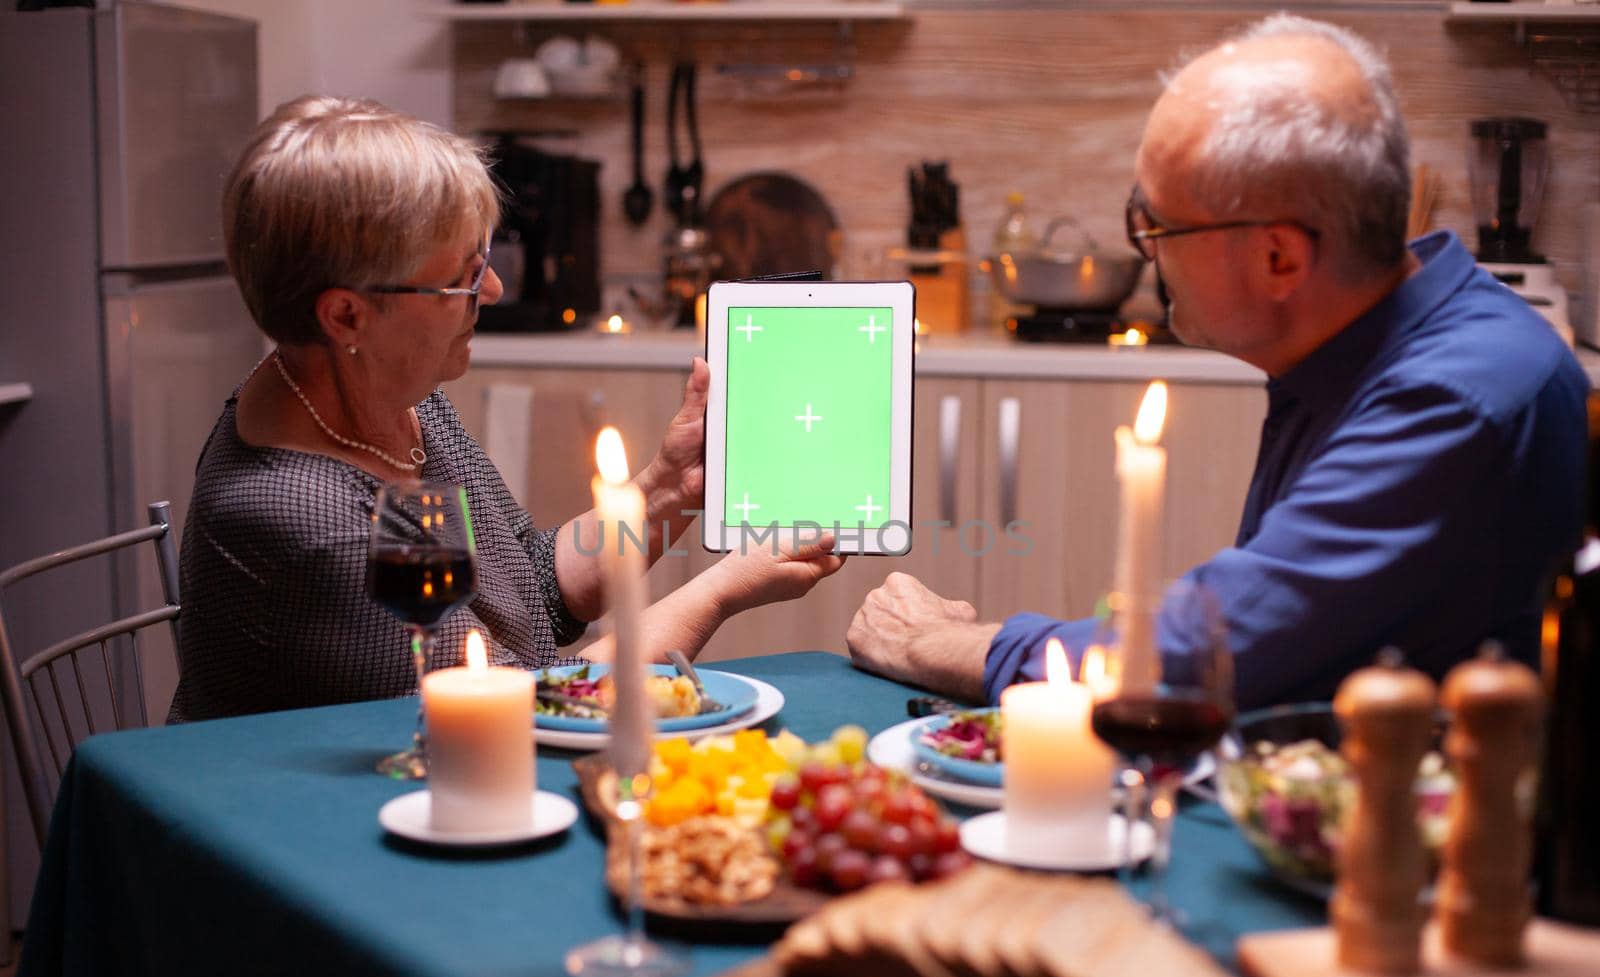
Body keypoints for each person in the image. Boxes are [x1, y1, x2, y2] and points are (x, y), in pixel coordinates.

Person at [847, 15, 1589, 711]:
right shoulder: (1363, 343)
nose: (1147, 248)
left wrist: (939, 642)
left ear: (1278, 257)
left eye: (1157, 222)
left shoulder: (1453, 397)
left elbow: (1199, 655)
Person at [169, 96, 842, 723]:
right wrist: (720, 588)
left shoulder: (393, 394)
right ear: (347, 314)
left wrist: (668, 487)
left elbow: (535, 588)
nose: (490, 288)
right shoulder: (304, 515)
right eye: (462, 276)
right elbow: (526, 703)